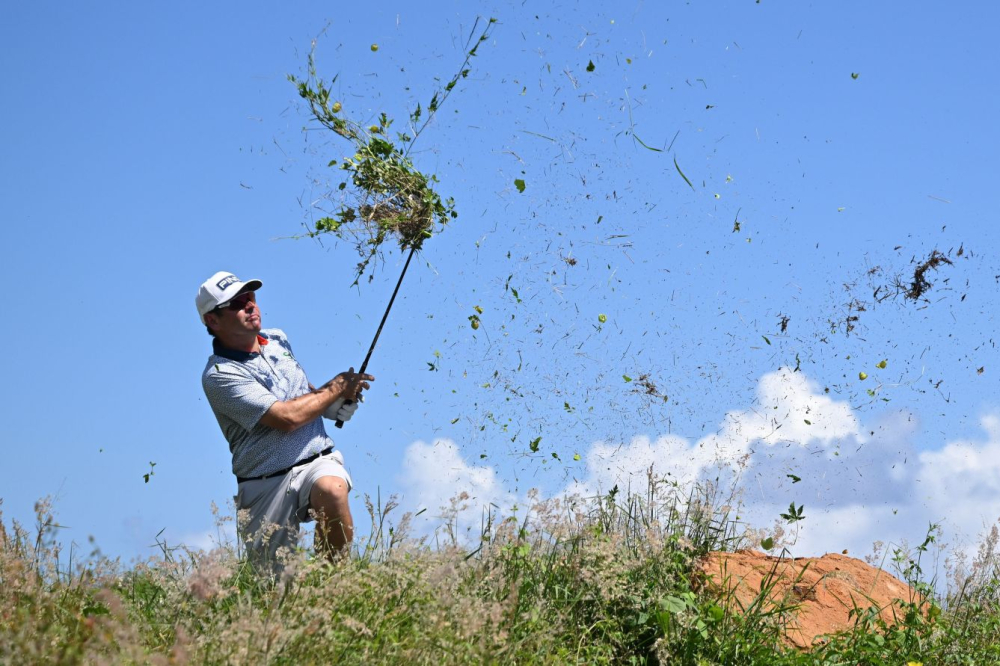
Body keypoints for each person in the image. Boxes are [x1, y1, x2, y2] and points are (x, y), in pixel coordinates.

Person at [196, 271, 373, 571]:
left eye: (250, 297)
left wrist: (332, 403)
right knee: (275, 593)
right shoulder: (219, 375)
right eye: (238, 303)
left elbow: (300, 394)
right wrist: (335, 389)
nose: (250, 305)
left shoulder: (278, 339)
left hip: (315, 459)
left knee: (332, 489)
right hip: (264, 483)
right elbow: (286, 417)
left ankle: (336, 585)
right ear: (213, 321)